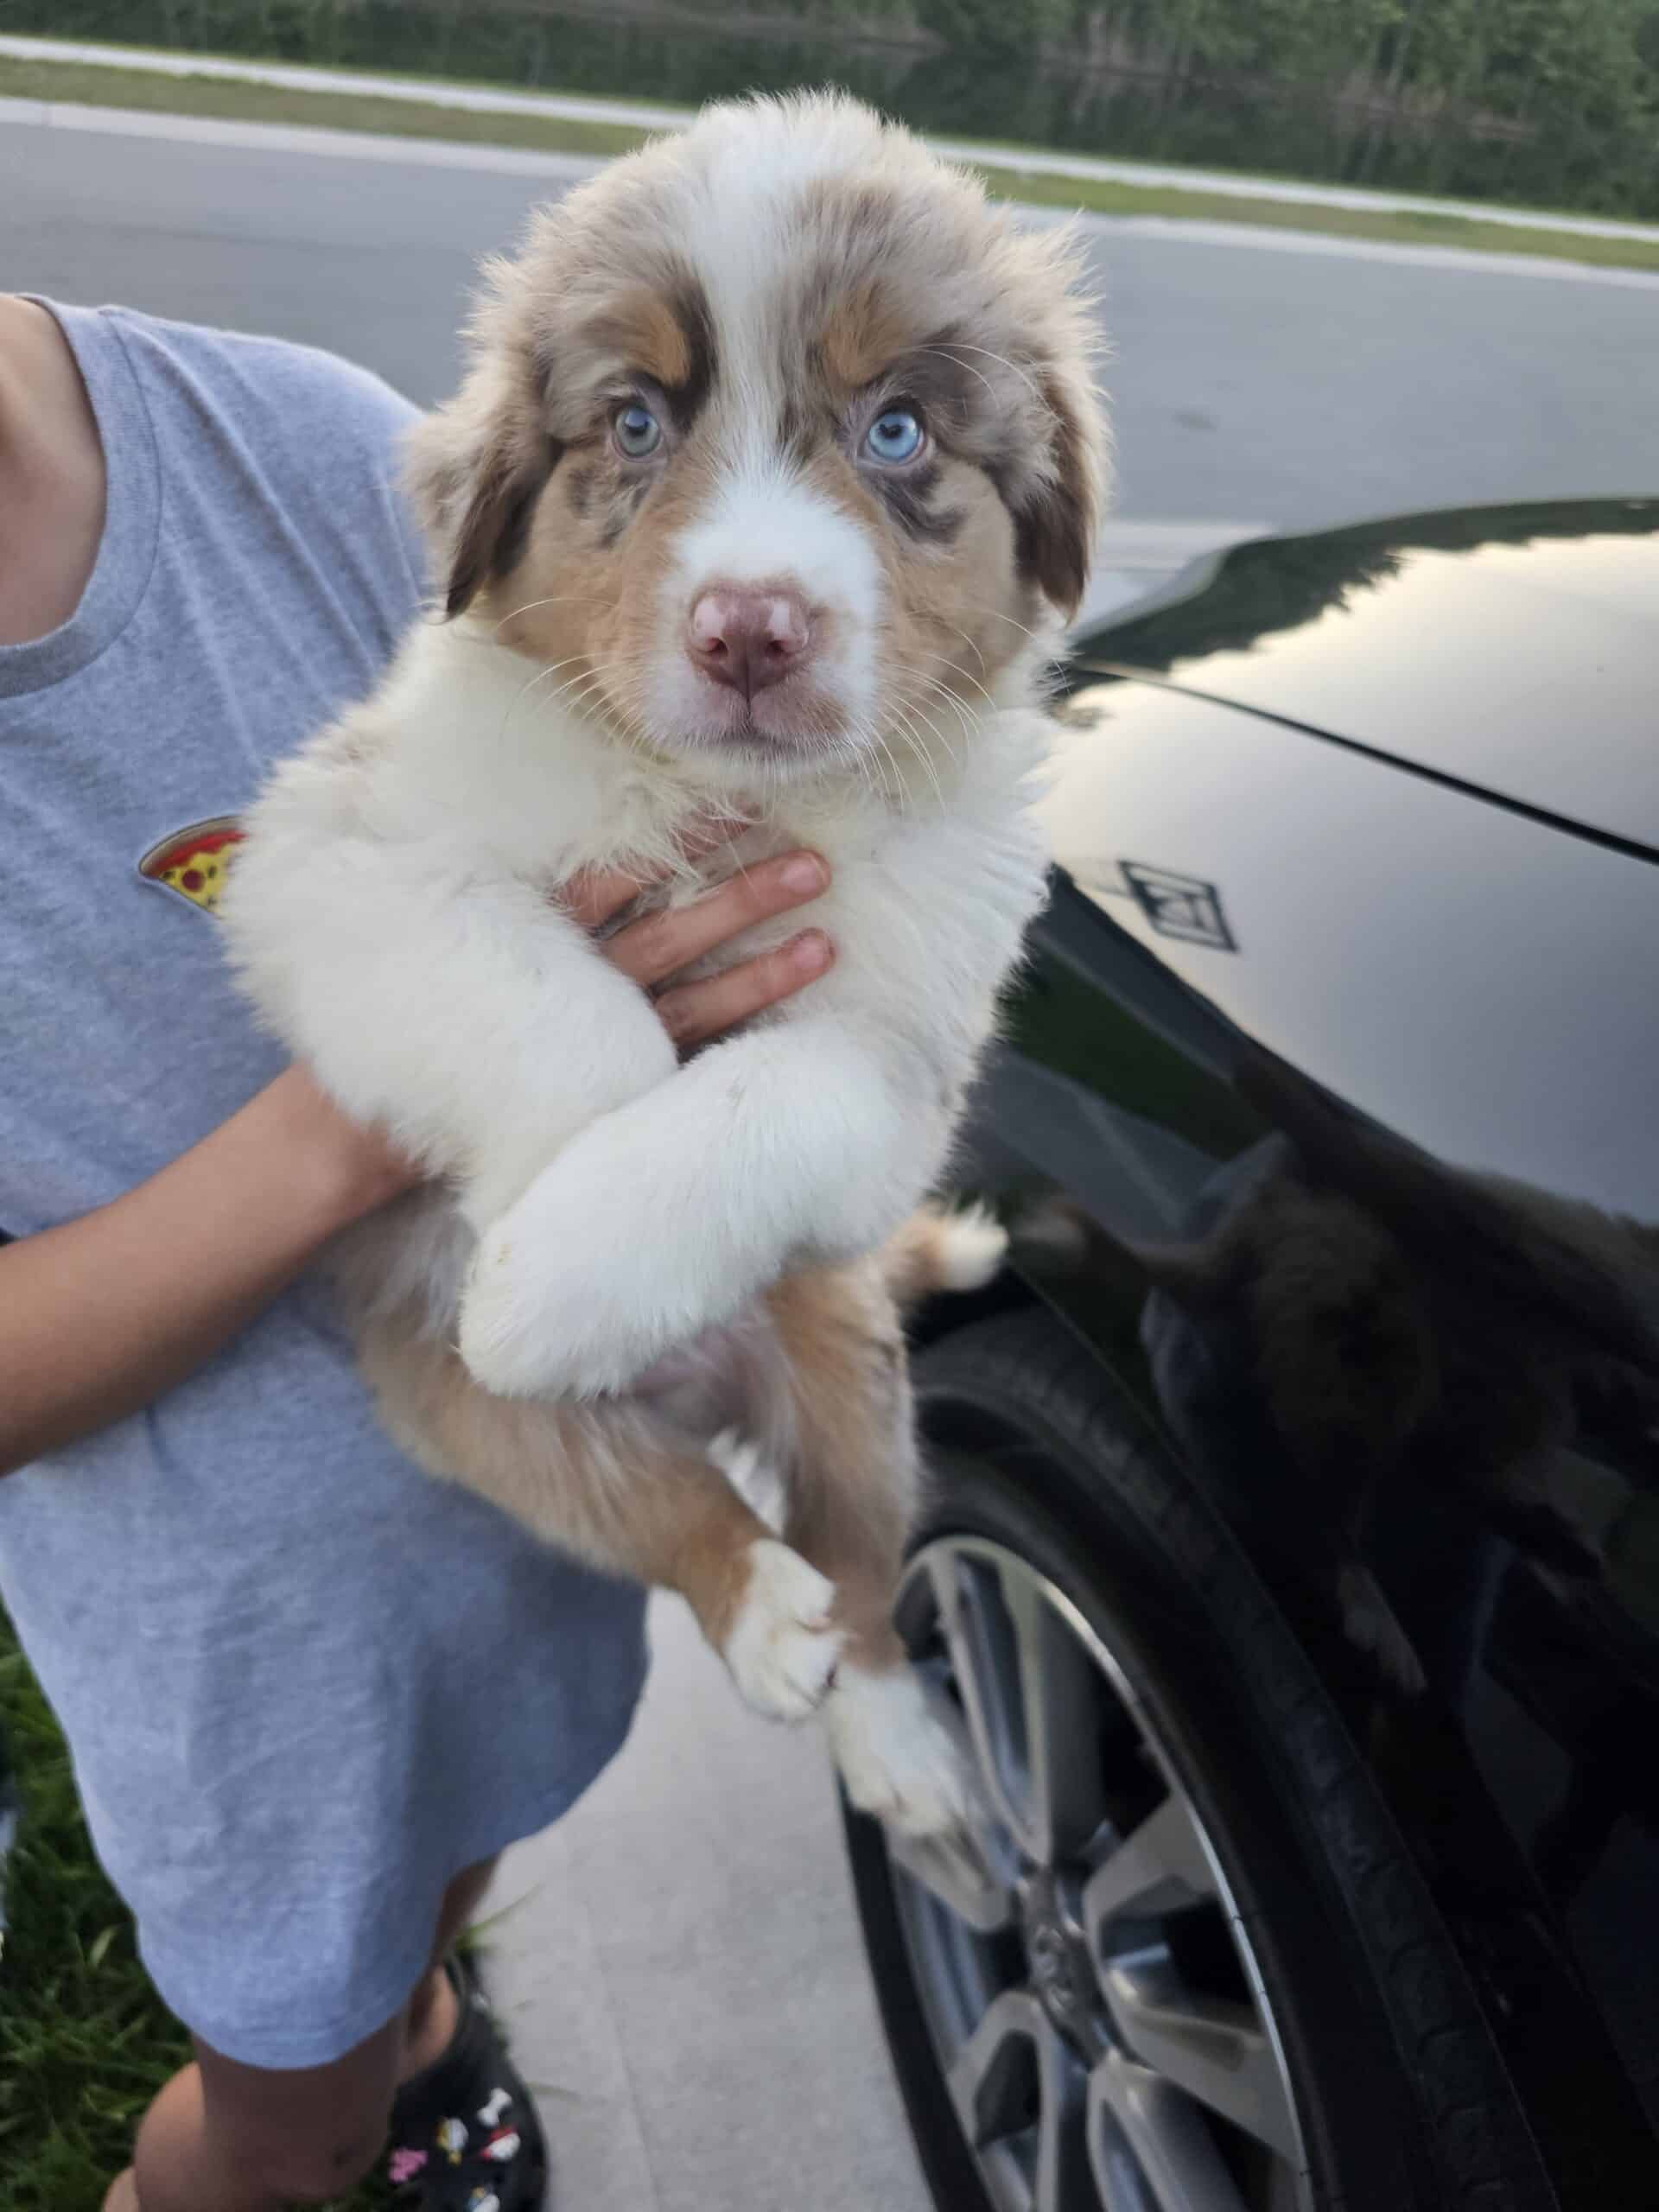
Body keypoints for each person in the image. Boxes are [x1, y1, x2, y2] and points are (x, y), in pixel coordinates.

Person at [0, 290, 836, 2212]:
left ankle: (425, 2030)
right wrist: (374, 1104)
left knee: (447, 1862)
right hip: (255, 1665)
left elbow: (669, 815)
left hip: (533, 1507)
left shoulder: (315, 451)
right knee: (284, 2135)